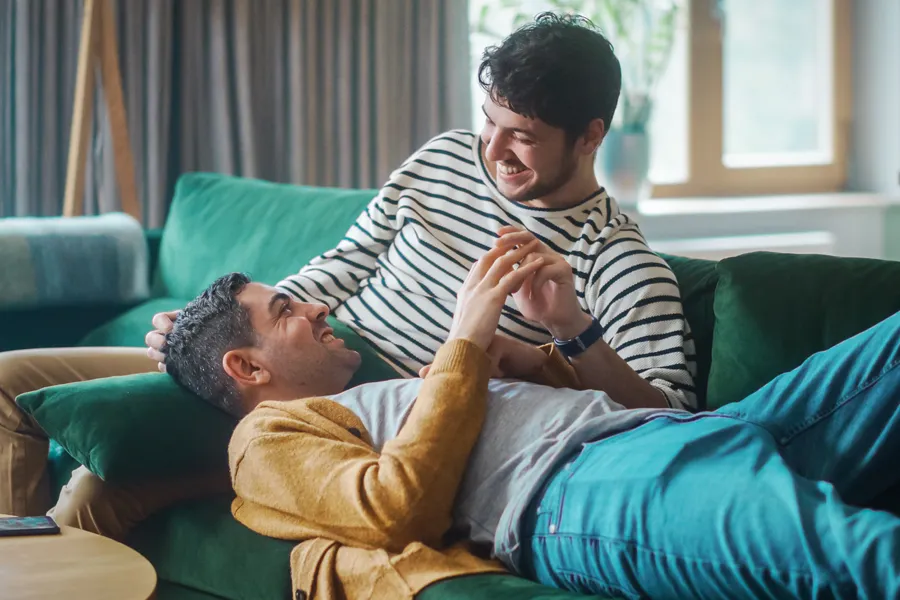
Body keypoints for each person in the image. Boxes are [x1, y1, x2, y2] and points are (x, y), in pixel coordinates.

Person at [0, 12, 695, 535]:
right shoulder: (446, 158)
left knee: (98, 490)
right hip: (293, 362)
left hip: (366, 421)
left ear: (592, 136)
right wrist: (218, 340)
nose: (496, 150)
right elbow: (344, 264)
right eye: (490, 122)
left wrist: (571, 330)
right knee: (11, 386)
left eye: (524, 136)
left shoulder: (618, 258)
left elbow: (670, 417)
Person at [167, 250, 900, 600]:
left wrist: (524, 358)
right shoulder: (264, 441)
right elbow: (394, 507)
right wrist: (460, 345)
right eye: (286, 312)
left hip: (686, 432)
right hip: (588, 493)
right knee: (861, 556)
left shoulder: (382, 391)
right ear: (247, 369)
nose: (316, 307)